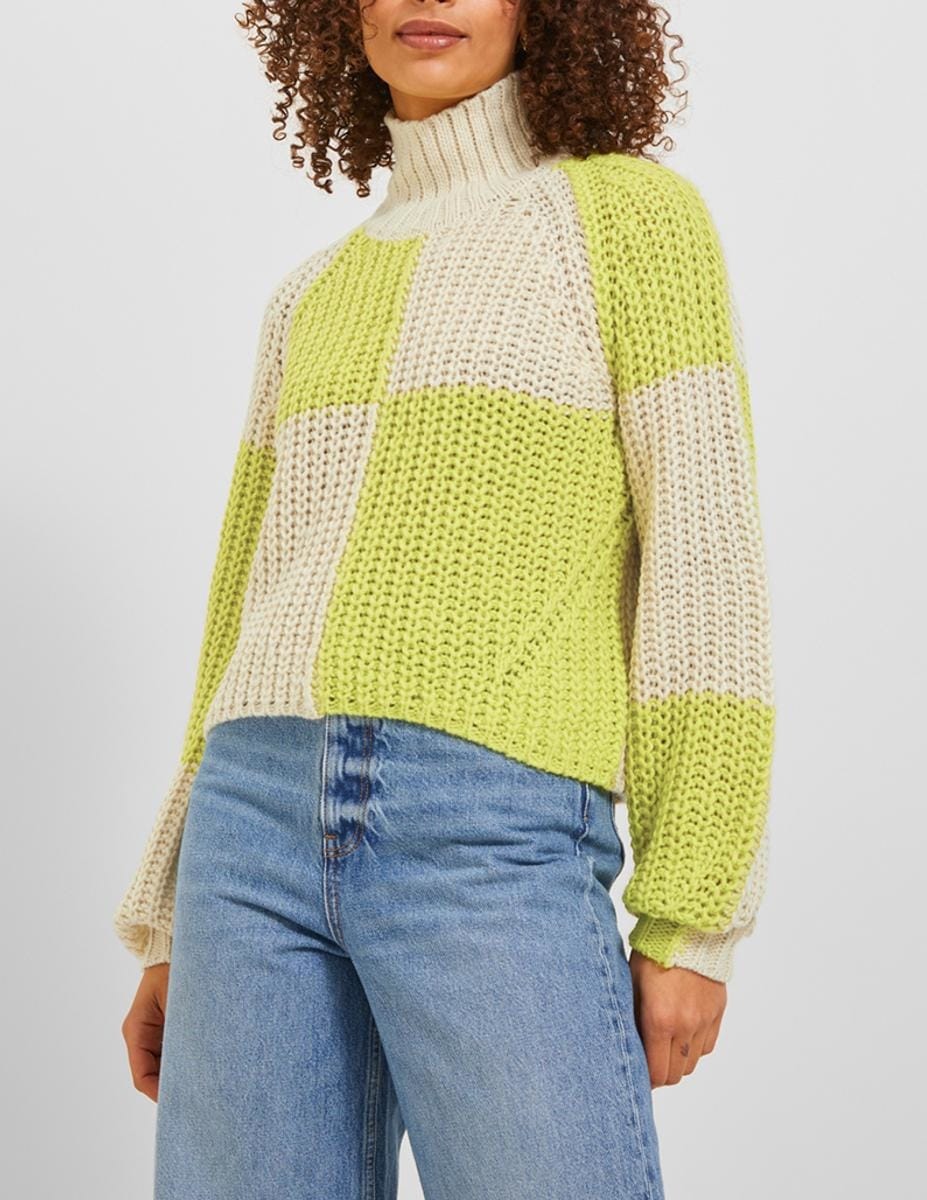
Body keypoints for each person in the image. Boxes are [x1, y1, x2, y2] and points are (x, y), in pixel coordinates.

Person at [116, 3, 776, 1197]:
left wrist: (694, 913)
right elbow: (240, 609)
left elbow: (705, 570)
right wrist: (169, 917)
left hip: (490, 832)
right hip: (248, 831)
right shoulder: (309, 293)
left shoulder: (628, 219)